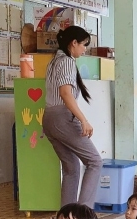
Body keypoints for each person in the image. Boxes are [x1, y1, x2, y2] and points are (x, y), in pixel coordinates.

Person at [41, 26, 102, 207]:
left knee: (71, 168)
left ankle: (67, 215)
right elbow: (66, 93)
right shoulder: (67, 61)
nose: (85, 49)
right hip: (62, 118)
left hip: (49, 119)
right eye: (84, 44)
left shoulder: (53, 61)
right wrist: (83, 120)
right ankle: (84, 212)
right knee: (94, 161)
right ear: (73, 43)